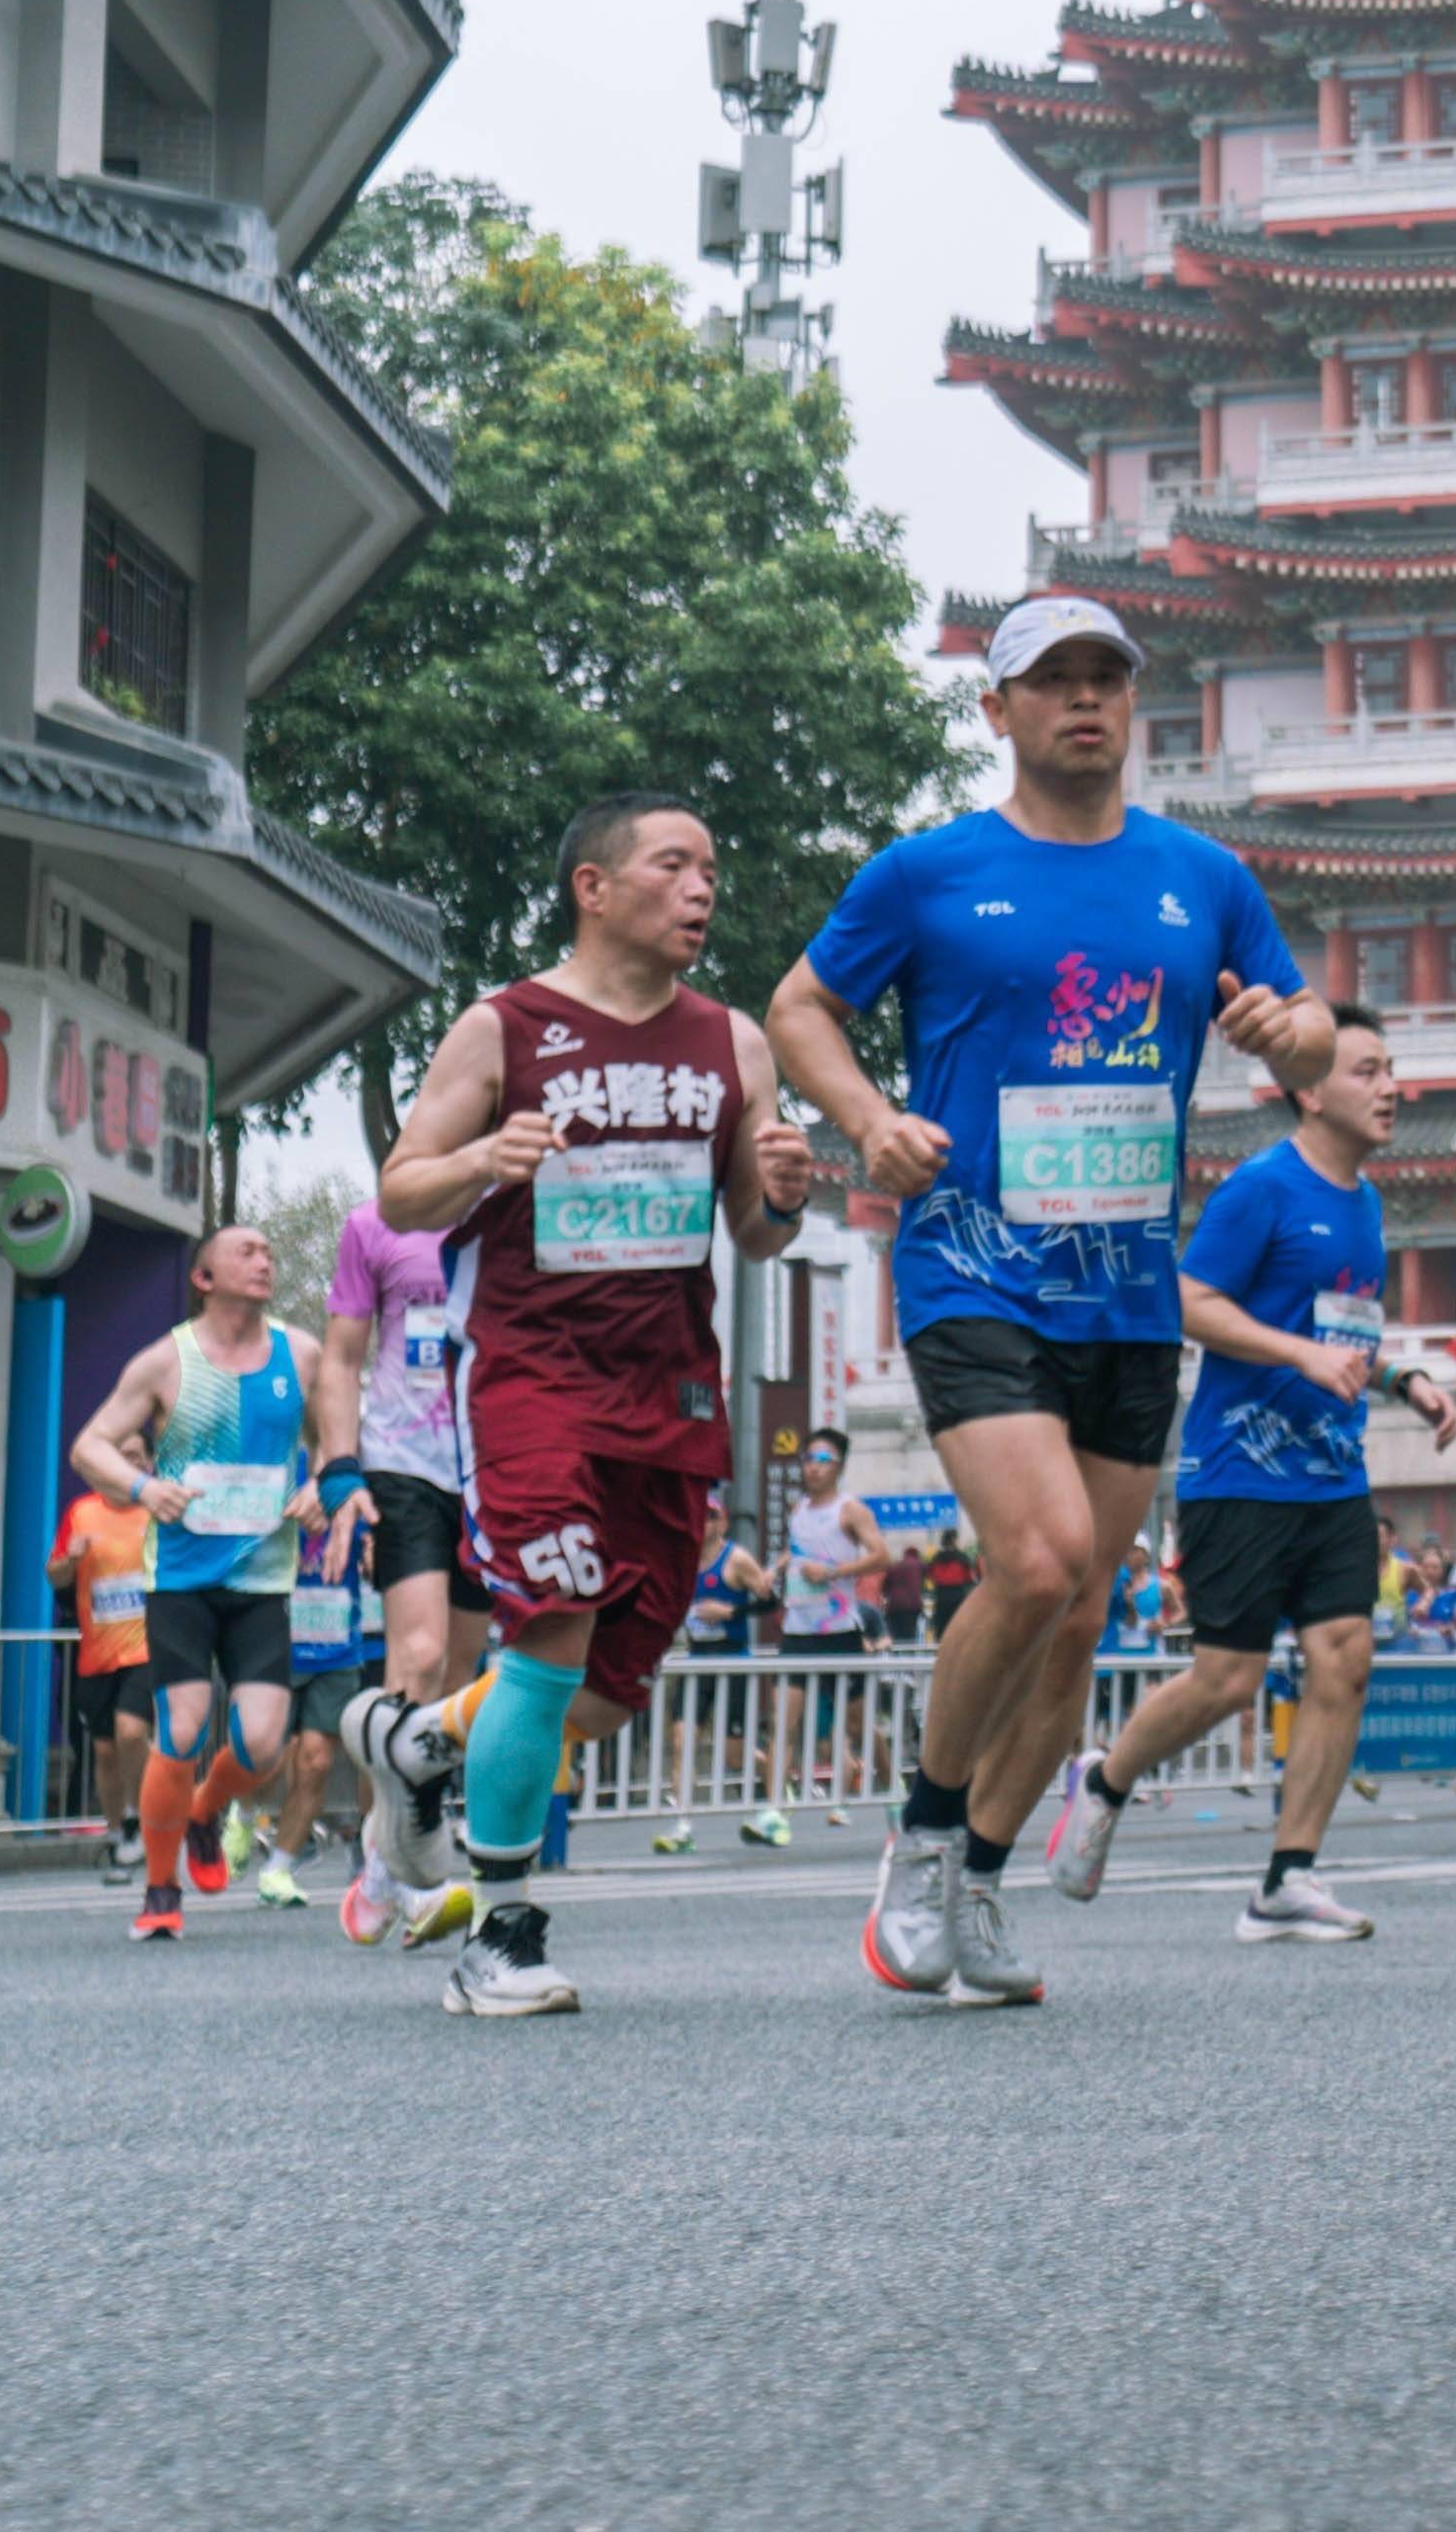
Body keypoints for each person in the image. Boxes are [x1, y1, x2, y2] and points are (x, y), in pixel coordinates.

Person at [769, 592, 1335, 2010]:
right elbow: (799, 1007)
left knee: (1080, 1611)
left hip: (1129, 1288)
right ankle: (918, 1838)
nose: (1084, 701)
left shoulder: (1202, 876)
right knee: (1034, 1560)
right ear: (1000, 711)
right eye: (1052, 680)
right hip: (971, 1261)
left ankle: (982, 1874)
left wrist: (1289, 1029)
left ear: (1131, 705)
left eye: (1107, 679)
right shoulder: (929, 872)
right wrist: (865, 1119)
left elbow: (1315, 1030)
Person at [341, 792, 818, 2021]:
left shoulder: (735, 1044)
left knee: (605, 1688)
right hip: (534, 1377)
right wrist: (480, 1162)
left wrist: (783, 1192)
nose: (703, 886)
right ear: (594, 887)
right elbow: (400, 1194)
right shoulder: (506, 1026)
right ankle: (500, 1934)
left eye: (714, 865)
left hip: (668, 1392)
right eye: (676, 863)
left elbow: (756, 1240)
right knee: (549, 1636)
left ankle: (422, 1741)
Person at [1048, 1000, 1456, 1939]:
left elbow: (1339, 1330)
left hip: (1333, 1477)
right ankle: (1104, 1781)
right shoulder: (1261, 1188)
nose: (1390, 1088)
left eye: (1391, 1070)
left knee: (1344, 1661)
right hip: (1239, 1473)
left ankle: (1288, 1876)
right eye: (1366, 1071)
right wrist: (1295, 1356)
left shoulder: (1364, 1203)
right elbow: (1187, 1299)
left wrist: (1404, 1377)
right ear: (1308, 1090)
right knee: (1227, 1679)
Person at [70, 1222, 333, 1943]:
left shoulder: (300, 1354)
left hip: (263, 1582)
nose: (264, 1258)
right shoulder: (165, 1361)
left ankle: (203, 1809)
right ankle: (160, 1889)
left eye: (268, 1250)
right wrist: (141, 1486)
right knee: (179, 1731)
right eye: (246, 1249)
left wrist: (324, 1489)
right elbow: (88, 1445)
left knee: (263, 1745)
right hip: (180, 1579)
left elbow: (339, 1440)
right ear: (203, 1276)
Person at [324, 1178, 484, 1942]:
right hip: (403, 1460)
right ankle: (406, 1865)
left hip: (493, 1463)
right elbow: (342, 1353)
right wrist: (340, 1467)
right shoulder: (375, 1225)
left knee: (457, 1680)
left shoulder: (518, 1213)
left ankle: (392, 1853)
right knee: (415, 1657)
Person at [759, 1432, 888, 1845]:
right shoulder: (798, 1509)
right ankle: (776, 1812)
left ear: (839, 1466)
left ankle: (897, 1794)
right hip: (797, 1631)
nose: (812, 1466)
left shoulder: (849, 1510)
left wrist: (832, 1573)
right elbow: (795, 1550)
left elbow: (880, 1554)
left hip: (839, 1632)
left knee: (858, 1725)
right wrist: (774, 1569)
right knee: (784, 1723)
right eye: (807, 1458)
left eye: (822, 1458)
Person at [261, 1463, 377, 1914]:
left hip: (337, 1649)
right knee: (264, 1755)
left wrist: (373, 1557)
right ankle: (245, 1812)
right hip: (279, 1646)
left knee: (316, 1761)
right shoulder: (283, 1478)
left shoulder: (358, 1495)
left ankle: (279, 1868)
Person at [47, 1477, 155, 1869]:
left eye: (138, 1457)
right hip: (97, 1653)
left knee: (131, 1730)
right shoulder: (82, 1512)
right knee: (105, 1751)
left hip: (146, 1650)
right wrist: (70, 1561)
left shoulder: (156, 1510)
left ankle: (142, 1819)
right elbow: (54, 1575)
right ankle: (118, 1829)